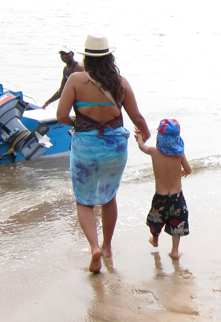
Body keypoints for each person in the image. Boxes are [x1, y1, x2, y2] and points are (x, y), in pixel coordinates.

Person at [56, 34, 151, 273]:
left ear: (86, 58)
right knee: (109, 197)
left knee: (83, 200)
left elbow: (61, 115)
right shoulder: (121, 83)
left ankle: (94, 247)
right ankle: (107, 248)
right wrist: (146, 134)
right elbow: (137, 117)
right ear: (109, 58)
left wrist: (78, 124)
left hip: (85, 147)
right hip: (114, 148)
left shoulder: (75, 80)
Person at [134, 119, 192, 260]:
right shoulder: (179, 154)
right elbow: (189, 170)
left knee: (156, 220)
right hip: (177, 197)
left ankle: (155, 240)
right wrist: (183, 171)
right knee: (177, 223)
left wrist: (140, 137)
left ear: (159, 137)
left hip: (161, 197)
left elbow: (142, 146)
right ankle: (175, 251)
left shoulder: (154, 151)